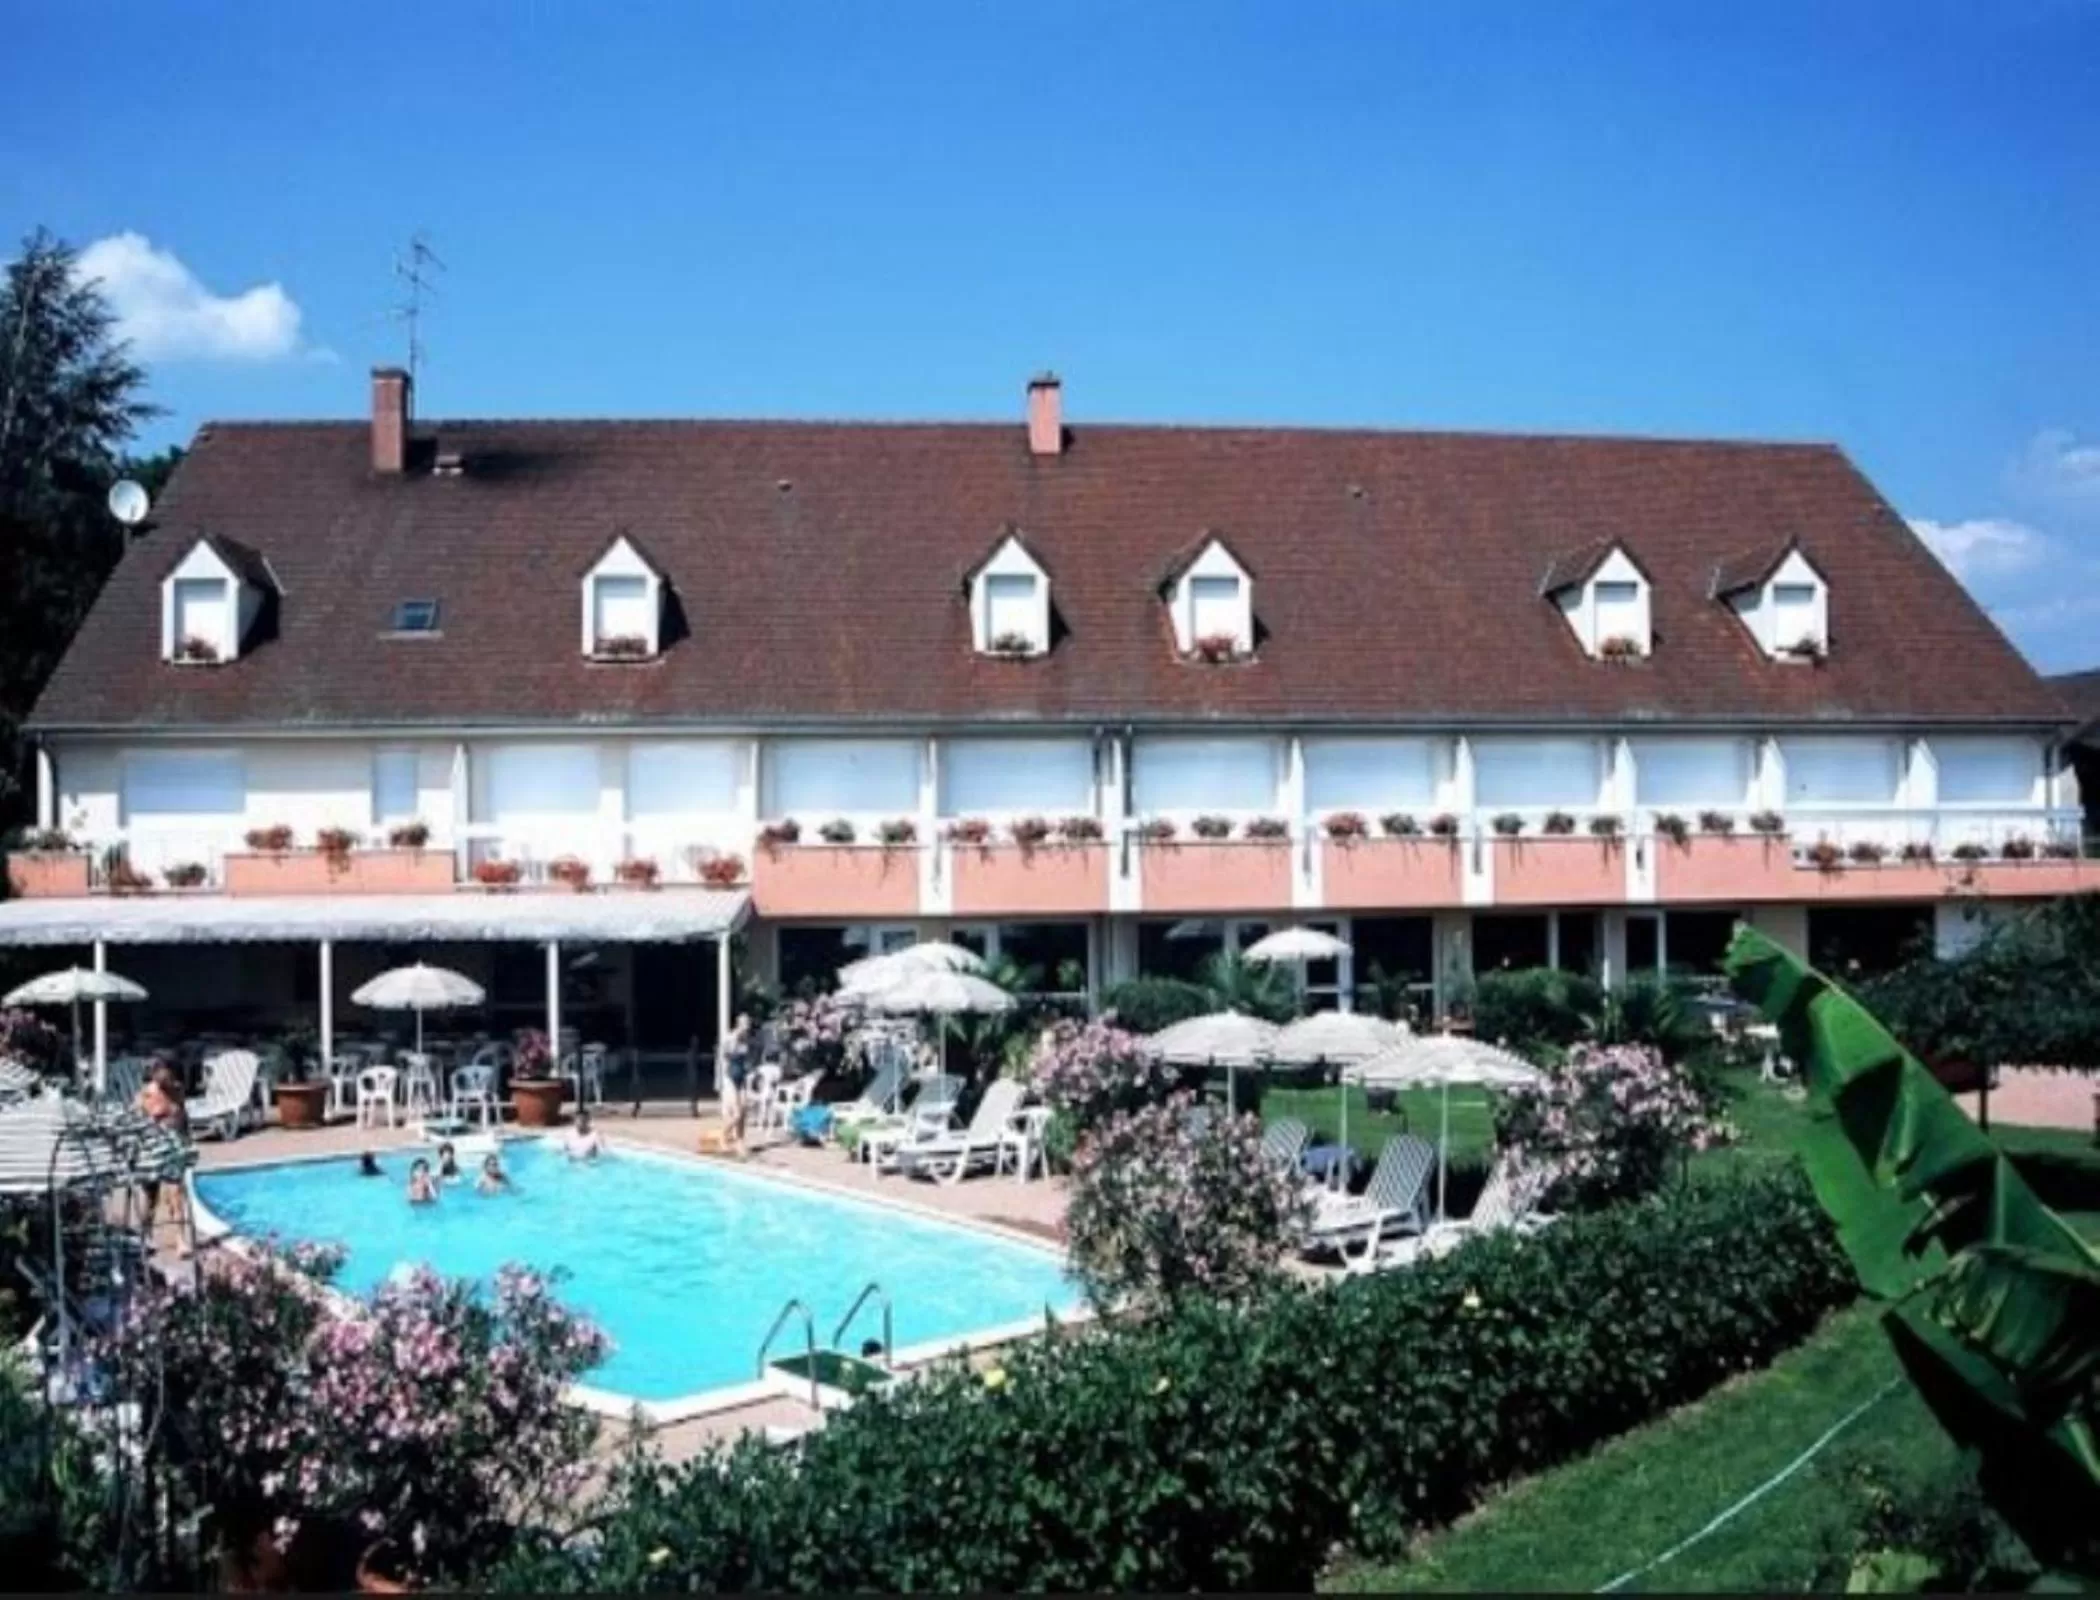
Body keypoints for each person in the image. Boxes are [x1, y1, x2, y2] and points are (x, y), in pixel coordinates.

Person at [720, 1013, 754, 1154]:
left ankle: (740, 1141)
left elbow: (747, 1059)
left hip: (742, 1077)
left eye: (748, 1025)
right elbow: (724, 1057)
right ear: (738, 1024)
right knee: (737, 1114)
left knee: (744, 1111)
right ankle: (723, 1136)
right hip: (731, 1078)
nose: (747, 1028)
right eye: (745, 1025)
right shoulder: (730, 1038)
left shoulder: (746, 1040)